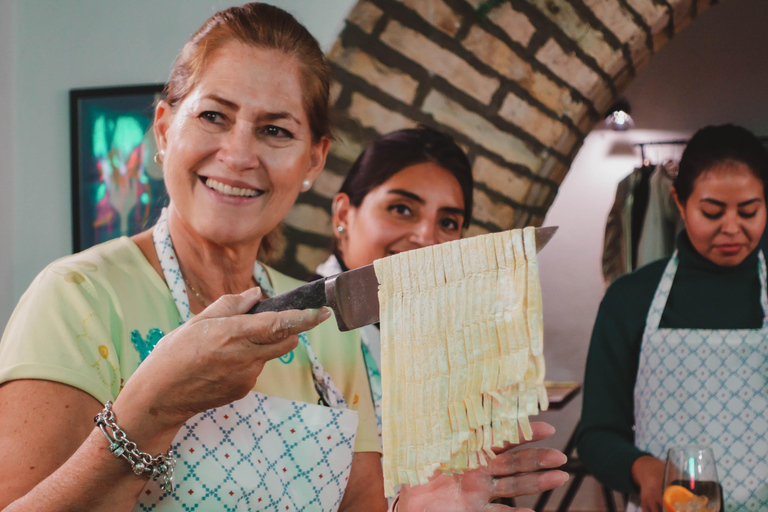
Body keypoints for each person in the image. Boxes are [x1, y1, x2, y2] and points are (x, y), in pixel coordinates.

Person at [0, 4, 567, 511]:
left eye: (275, 130)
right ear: (165, 129)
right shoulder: (77, 299)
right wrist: (151, 413)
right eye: (213, 116)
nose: (240, 154)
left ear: (313, 161)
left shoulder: (326, 328)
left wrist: (410, 510)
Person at [576, 124, 768, 512]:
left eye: (749, 211)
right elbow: (597, 434)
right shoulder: (631, 298)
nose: (732, 227)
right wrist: (643, 469)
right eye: (712, 211)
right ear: (678, 202)